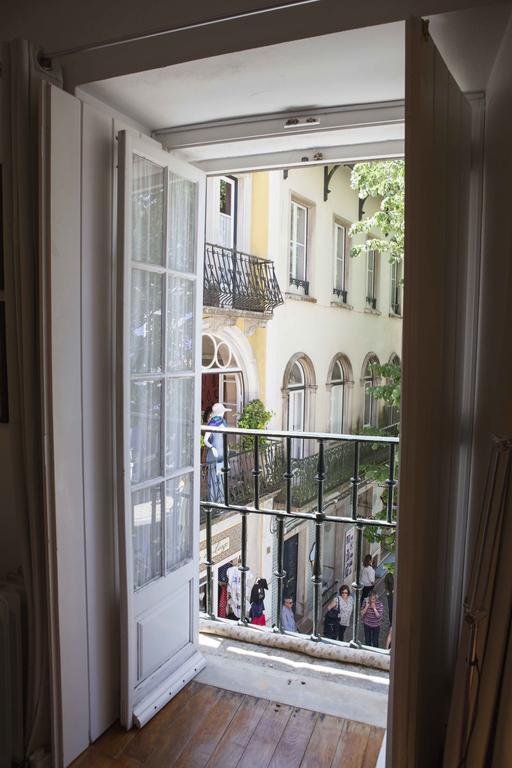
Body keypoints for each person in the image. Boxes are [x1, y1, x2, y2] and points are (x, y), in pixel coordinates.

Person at [203, 403, 231, 503]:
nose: (223, 413)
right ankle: (213, 501)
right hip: (214, 454)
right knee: (213, 479)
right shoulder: (211, 424)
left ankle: (221, 501)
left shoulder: (223, 422)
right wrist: (212, 448)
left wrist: (226, 447)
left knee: (222, 478)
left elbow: (225, 437)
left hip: (222, 453)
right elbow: (205, 440)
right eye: (223, 412)